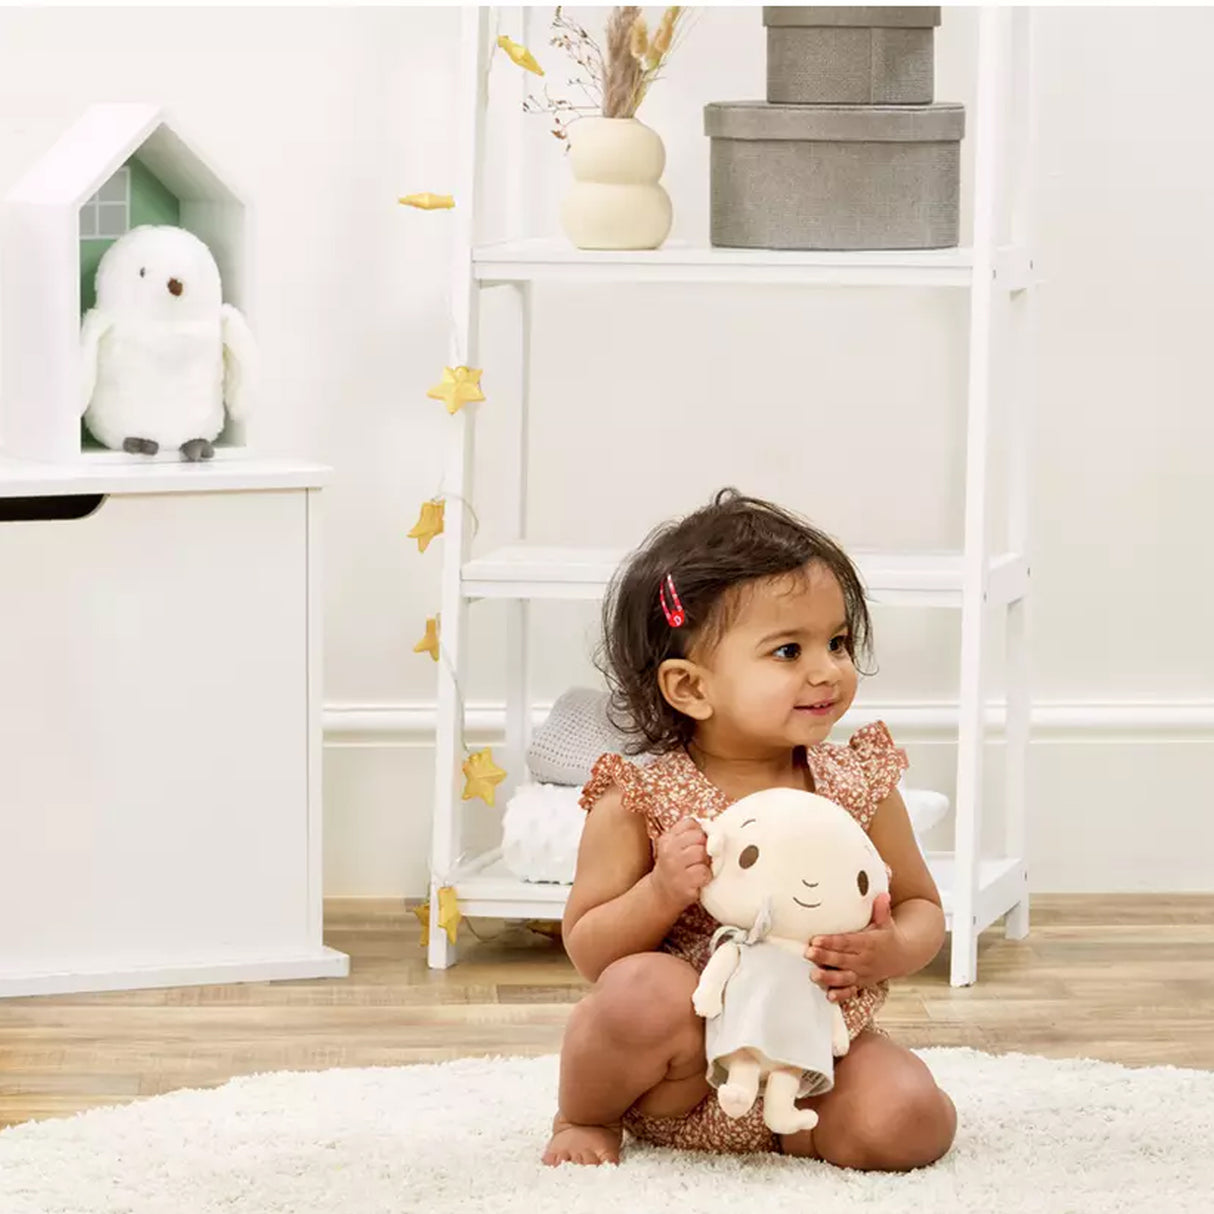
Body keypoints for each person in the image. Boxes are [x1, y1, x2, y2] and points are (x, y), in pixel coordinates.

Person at [541, 489, 957, 1170]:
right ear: (691, 688)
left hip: (815, 1057)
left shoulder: (856, 785)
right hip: (678, 1074)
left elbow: (922, 908)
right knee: (643, 993)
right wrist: (662, 890)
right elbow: (589, 950)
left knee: (909, 1122)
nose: (828, 669)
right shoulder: (642, 799)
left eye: (838, 642)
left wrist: (887, 950)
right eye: (789, 650)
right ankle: (584, 1114)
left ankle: (799, 1131)